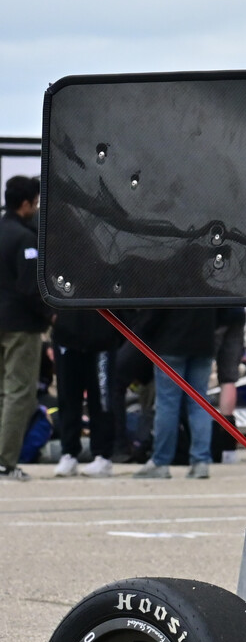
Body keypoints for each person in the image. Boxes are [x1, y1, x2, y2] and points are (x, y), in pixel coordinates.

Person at [129, 307, 224, 479]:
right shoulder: (208, 281)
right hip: (203, 341)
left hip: (170, 341)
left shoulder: (169, 280)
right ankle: (201, 461)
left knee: (167, 403)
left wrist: (144, 330)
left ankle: (161, 461)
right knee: (199, 403)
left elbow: (153, 313)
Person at [0, 174, 48, 479]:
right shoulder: (26, 239)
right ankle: (5, 462)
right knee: (19, 392)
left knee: (2, 392)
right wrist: (48, 317)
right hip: (21, 327)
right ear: (26, 204)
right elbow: (31, 288)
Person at [51, 304, 124, 476]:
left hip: (102, 340)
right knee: (68, 398)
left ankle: (102, 456)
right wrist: (51, 315)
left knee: (101, 399)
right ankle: (68, 453)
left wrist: (116, 327)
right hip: (66, 337)